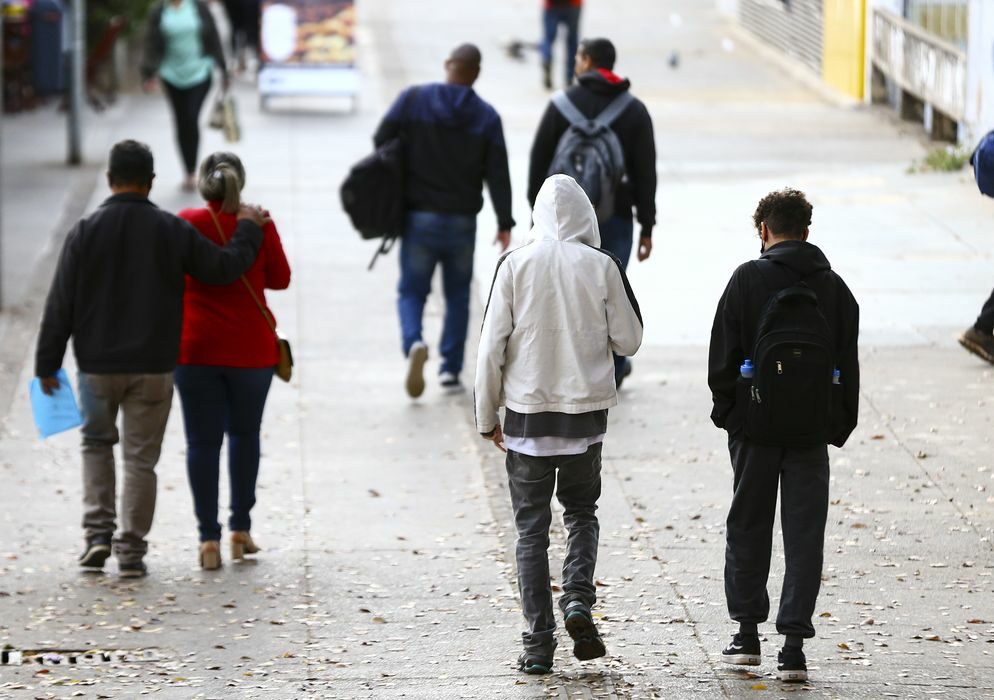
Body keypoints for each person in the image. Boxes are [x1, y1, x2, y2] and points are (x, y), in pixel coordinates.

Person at [34, 140, 267, 579]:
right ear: (152, 181)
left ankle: (98, 536)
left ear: (109, 180)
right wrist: (249, 229)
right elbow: (221, 269)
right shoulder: (169, 228)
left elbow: (59, 303)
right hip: (154, 366)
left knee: (96, 446)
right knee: (141, 459)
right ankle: (131, 551)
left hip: (97, 366)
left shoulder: (85, 231)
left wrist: (47, 364)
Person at [475, 175, 643, 675]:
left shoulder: (514, 266)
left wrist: (487, 417)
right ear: (586, 217)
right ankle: (576, 601)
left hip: (527, 419)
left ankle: (537, 643)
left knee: (530, 532)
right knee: (581, 513)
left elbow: (490, 348)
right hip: (584, 421)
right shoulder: (602, 266)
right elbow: (630, 340)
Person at [707, 188, 860, 683]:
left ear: (764, 232)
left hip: (755, 429)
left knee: (748, 524)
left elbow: (721, 361)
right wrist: (835, 427)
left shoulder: (746, 280)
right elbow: (848, 366)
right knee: (804, 533)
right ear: (807, 232)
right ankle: (792, 646)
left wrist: (731, 417)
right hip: (810, 432)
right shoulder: (835, 289)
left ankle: (746, 635)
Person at [373, 43, 514, 398]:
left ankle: (415, 342)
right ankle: (450, 370)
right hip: (462, 222)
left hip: (418, 217)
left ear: (448, 64)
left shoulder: (413, 100)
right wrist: (505, 221)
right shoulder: (486, 116)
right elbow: (498, 173)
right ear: (475, 73)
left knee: (411, 290)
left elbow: (381, 141)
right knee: (457, 296)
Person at [175, 152, 291, 570]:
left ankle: (208, 540)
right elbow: (280, 278)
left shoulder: (187, 221)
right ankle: (240, 530)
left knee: (201, 443)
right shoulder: (260, 221)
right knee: (245, 435)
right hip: (250, 352)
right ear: (240, 182)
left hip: (195, 349)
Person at [528, 37, 656, 388]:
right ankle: (612, 371)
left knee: (565, 295)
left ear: (585, 60)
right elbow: (646, 172)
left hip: (561, 224)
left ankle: (571, 371)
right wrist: (647, 225)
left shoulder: (560, 105)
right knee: (611, 294)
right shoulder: (634, 110)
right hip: (614, 218)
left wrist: (535, 217)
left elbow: (538, 164)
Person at [141, 0, 228, 191]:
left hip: (200, 71)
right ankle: (187, 171)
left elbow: (213, 37)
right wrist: (148, 73)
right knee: (181, 121)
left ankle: (193, 169)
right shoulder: (159, 11)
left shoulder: (198, 7)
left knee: (191, 117)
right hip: (171, 73)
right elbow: (150, 43)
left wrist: (223, 69)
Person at [540, 0, 582, 90]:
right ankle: (569, 77)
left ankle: (547, 57)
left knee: (548, 38)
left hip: (551, 5)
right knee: (572, 41)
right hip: (573, 4)